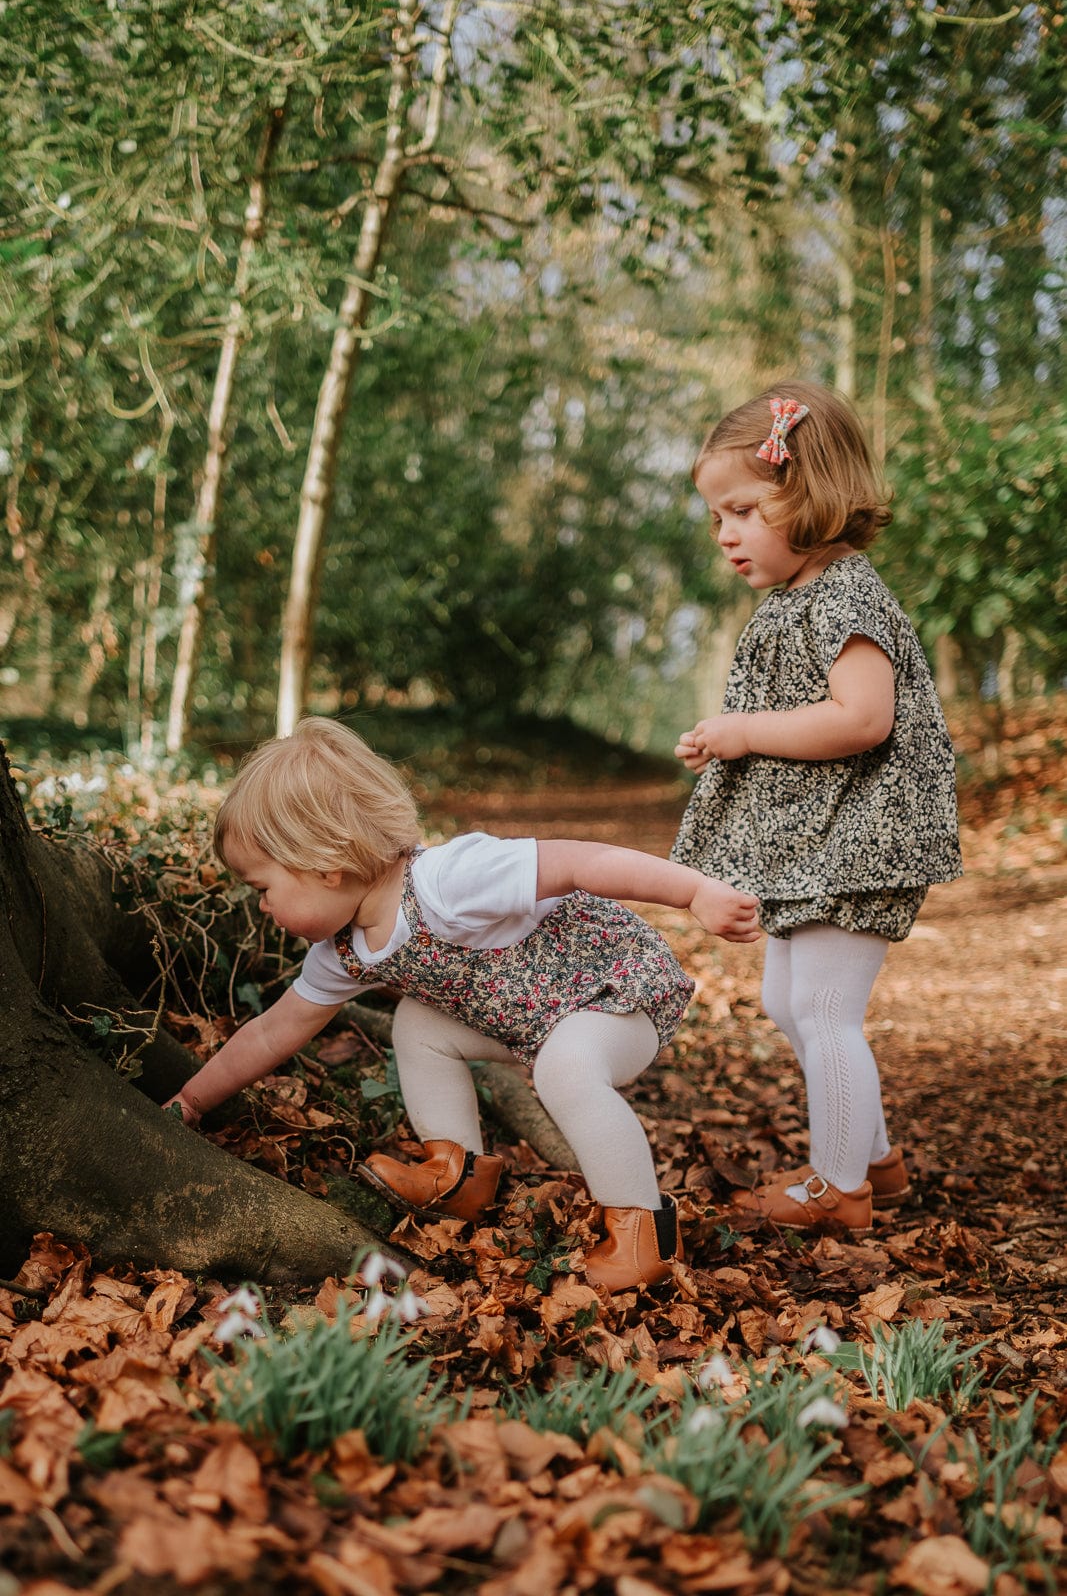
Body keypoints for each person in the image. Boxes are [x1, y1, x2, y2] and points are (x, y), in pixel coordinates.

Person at [164, 716, 760, 1292]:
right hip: (533, 1020)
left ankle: (642, 1233)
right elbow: (273, 1033)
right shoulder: (343, 952)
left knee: (566, 1069)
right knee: (419, 1023)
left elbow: (581, 861)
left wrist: (695, 893)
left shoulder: (450, 879)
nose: (262, 907)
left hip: (614, 992)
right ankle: (459, 1174)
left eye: (264, 889)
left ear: (326, 865)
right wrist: (192, 1099)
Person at [672, 380, 962, 1235]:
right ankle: (873, 1160)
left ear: (808, 494)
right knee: (787, 1004)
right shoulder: (799, 597)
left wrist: (744, 732)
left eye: (742, 509)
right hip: (819, 841)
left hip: (863, 838)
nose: (724, 533)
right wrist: (730, 736)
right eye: (715, 515)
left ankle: (839, 1189)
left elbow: (862, 719)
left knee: (827, 1011)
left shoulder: (844, 597)